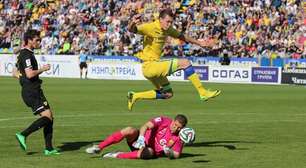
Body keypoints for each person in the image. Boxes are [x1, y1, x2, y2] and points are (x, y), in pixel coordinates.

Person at [126, 8, 221, 110]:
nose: (169, 24)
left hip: (153, 68)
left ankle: (135, 96)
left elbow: (183, 36)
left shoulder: (168, 29)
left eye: (171, 22)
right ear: (160, 19)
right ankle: (202, 92)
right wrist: (132, 22)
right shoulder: (150, 27)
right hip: (150, 65)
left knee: (167, 94)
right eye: (167, 22)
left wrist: (200, 43)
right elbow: (132, 30)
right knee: (185, 62)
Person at [14, 29, 60, 155]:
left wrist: (23, 79)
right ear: (29, 40)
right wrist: (43, 69)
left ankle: (49, 148)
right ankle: (23, 134)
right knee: (47, 117)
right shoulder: (26, 54)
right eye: (37, 40)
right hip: (32, 91)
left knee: (50, 117)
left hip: (31, 90)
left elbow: (15, 73)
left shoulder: (23, 54)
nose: (39, 42)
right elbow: (29, 74)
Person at [86, 114, 188, 159]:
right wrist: (141, 138)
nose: (177, 129)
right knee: (129, 130)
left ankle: (116, 155)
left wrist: (169, 153)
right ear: (173, 121)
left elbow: (177, 154)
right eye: (176, 125)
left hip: (148, 150)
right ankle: (99, 147)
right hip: (139, 142)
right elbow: (146, 125)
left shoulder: (180, 136)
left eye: (179, 128)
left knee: (150, 152)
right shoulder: (163, 121)